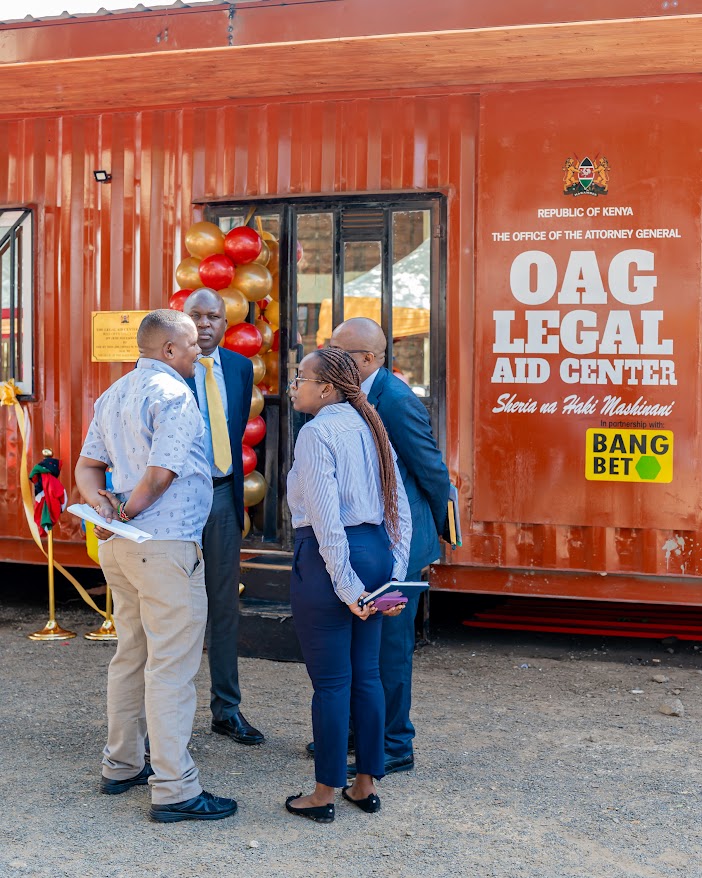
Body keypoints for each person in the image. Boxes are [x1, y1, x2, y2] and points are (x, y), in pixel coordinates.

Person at [75, 309, 238, 823]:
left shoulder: (114, 393)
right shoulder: (175, 394)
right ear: (169, 349)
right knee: (171, 667)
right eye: (191, 347)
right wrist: (125, 512)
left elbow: (86, 466)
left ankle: (122, 764)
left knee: (130, 655)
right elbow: (162, 473)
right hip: (165, 546)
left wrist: (103, 510)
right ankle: (175, 789)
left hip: (121, 549)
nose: (199, 353)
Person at [285, 348, 411, 823]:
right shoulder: (370, 426)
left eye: (300, 378)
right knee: (368, 675)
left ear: (326, 388)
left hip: (330, 560)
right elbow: (399, 509)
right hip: (376, 551)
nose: (293, 386)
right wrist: (392, 581)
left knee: (332, 683)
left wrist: (347, 587)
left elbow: (325, 519)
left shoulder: (316, 433)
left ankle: (323, 794)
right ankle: (364, 785)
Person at [329, 317, 451, 776]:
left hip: (400, 544)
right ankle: (359, 733)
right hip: (366, 542)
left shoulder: (396, 401)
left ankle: (396, 743)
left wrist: (441, 530)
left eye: (339, 351)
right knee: (359, 644)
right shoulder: (344, 393)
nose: (330, 356)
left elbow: (431, 470)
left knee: (390, 650)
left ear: (367, 359)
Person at [183, 288, 264, 746]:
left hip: (222, 497)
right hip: (175, 502)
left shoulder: (238, 367)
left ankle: (226, 709)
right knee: (174, 607)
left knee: (224, 606)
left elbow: (233, 433)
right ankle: (164, 720)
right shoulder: (162, 369)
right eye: (196, 316)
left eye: (213, 316)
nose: (205, 324)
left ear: (225, 322)